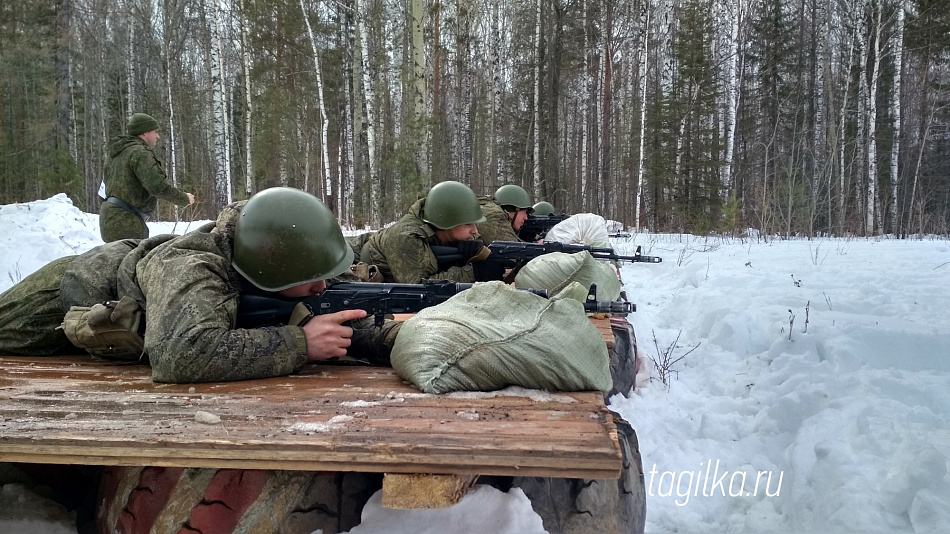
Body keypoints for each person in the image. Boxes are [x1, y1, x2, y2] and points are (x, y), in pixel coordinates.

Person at [0, 187, 399, 383]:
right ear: (270, 274)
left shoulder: (285, 249)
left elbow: (347, 309)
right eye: (313, 280)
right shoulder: (194, 269)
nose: (324, 287)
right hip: (51, 303)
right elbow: (180, 357)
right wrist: (300, 344)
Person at [358, 181, 504, 284]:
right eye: (467, 224)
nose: (474, 230)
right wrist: (473, 273)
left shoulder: (460, 235)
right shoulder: (405, 237)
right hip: (352, 263)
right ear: (447, 222)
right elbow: (419, 289)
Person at [99, 112, 196, 242]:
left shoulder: (115, 155)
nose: (158, 137)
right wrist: (184, 198)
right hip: (127, 223)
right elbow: (157, 186)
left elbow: (102, 192)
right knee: (134, 261)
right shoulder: (139, 153)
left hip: (108, 220)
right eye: (155, 132)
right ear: (144, 133)